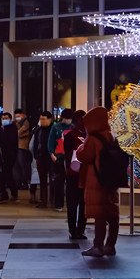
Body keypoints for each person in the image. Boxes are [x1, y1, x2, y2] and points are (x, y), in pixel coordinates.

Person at [76, 106, 119, 257]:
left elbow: (85, 157)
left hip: (97, 180)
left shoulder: (93, 139)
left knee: (100, 214)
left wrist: (81, 146)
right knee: (112, 213)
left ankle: (98, 246)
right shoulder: (110, 135)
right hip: (111, 180)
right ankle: (110, 246)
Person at [64, 109, 87, 240]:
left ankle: (81, 230)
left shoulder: (89, 136)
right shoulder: (70, 135)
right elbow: (67, 154)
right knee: (72, 204)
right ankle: (73, 230)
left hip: (84, 174)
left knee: (83, 203)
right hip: (73, 173)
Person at [48, 108, 74, 212]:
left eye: (69, 118)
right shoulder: (56, 127)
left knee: (70, 182)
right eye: (66, 118)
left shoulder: (73, 128)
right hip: (59, 156)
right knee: (59, 181)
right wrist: (52, 154)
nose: (68, 120)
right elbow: (51, 142)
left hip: (70, 157)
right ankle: (58, 203)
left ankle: (70, 202)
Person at [31, 111, 53, 207]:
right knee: (42, 181)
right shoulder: (38, 130)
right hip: (41, 157)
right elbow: (35, 143)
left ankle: (53, 200)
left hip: (51, 158)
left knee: (53, 180)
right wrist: (36, 155)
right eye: (40, 119)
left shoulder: (54, 129)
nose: (42, 121)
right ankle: (43, 200)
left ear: (50, 119)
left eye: (44, 119)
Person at [0, 111, 19, 202]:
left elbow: (9, 141)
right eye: (3, 118)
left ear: (10, 119)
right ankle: (8, 193)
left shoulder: (12, 128)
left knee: (5, 174)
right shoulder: (2, 129)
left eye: (6, 118)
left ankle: (2, 193)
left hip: (10, 155)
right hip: (3, 155)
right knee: (6, 175)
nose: (4, 120)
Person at [13, 108, 33, 198]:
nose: (17, 117)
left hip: (23, 147)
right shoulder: (15, 123)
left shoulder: (26, 122)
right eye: (16, 115)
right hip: (16, 146)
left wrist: (17, 131)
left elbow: (19, 133)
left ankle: (24, 183)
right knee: (16, 165)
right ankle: (18, 183)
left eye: (19, 115)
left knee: (23, 165)